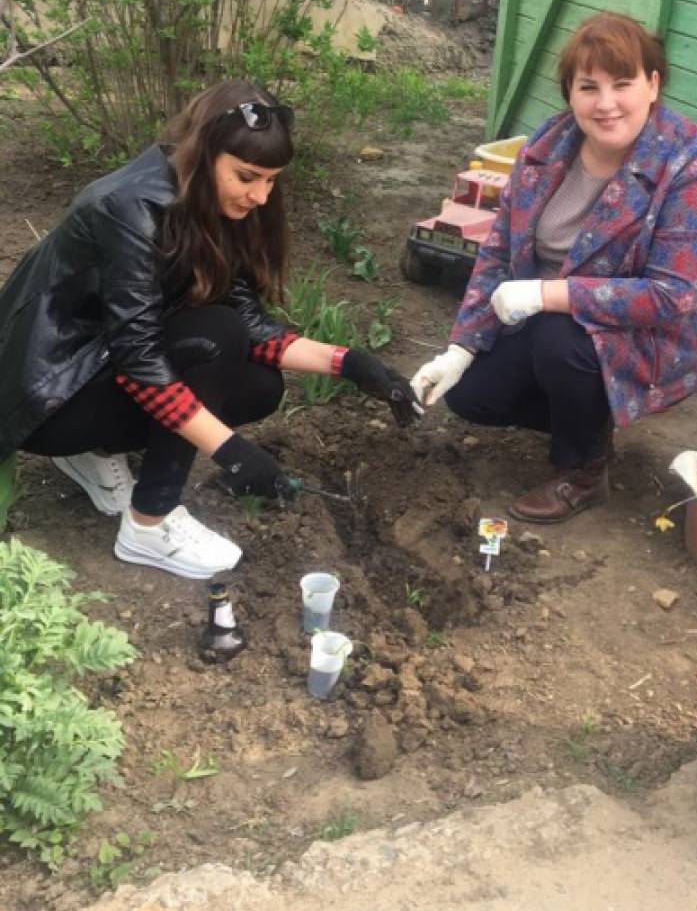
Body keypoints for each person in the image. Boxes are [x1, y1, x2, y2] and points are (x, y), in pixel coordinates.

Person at [0, 80, 418, 580]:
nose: (261, 195)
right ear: (204, 153)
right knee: (212, 336)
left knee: (258, 385)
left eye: (271, 180)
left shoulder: (215, 201)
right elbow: (138, 356)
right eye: (248, 176)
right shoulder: (127, 207)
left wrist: (352, 364)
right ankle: (149, 525)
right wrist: (231, 450)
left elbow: (250, 322)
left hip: (98, 365)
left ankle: (95, 453)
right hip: (46, 394)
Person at [411, 12, 697, 523]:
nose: (605, 103)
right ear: (570, 95)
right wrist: (461, 346)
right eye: (589, 87)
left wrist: (545, 295)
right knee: (472, 397)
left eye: (622, 84)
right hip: (549, 324)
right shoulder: (547, 147)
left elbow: (671, 296)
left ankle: (583, 470)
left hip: (648, 337)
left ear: (652, 85)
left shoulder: (691, 168)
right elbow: (497, 251)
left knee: (560, 340)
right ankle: (588, 414)